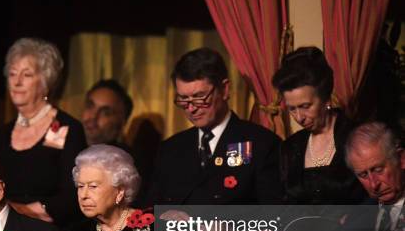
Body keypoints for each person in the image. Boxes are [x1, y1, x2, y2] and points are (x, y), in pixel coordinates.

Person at [148, 48, 282, 205]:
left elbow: (275, 217)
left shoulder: (262, 144)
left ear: (224, 90)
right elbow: (150, 211)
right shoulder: (170, 150)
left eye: (199, 97)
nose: (191, 108)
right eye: (183, 99)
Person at [0, 38, 86, 225]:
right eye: (12, 74)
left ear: (46, 81)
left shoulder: (66, 128)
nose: (17, 82)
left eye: (27, 75)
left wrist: (22, 211)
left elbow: (73, 195)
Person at [272, 47, 366, 204]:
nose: (299, 117)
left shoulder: (357, 137)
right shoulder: (289, 147)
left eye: (305, 106)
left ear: (326, 99)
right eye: (292, 109)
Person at [62, 145, 153, 231]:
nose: (83, 195)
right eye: (80, 186)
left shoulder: (158, 225)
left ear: (120, 191)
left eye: (93, 186)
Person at [345, 122, 404, 231]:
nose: (373, 184)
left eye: (378, 170)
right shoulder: (355, 220)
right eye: (363, 175)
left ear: (401, 159)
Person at [82, 79, 133, 147]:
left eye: (105, 113)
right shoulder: (67, 147)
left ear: (122, 122)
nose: (93, 116)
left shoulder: (124, 156)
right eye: (90, 106)